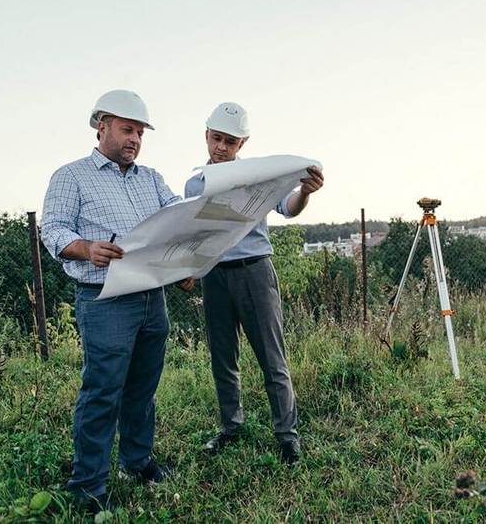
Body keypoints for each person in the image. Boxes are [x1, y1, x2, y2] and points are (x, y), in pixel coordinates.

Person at [41, 89, 194, 513]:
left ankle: (137, 462)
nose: (135, 140)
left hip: (151, 296)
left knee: (142, 389)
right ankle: (88, 484)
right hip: (105, 300)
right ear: (102, 125)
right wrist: (86, 247)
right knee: (103, 391)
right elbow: (51, 229)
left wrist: (185, 263)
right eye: (128, 130)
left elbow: (179, 218)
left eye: (140, 133)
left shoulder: (151, 179)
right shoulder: (71, 176)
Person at [185, 102, 324, 465]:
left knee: (271, 358)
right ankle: (231, 427)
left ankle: (287, 437)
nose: (221, 147)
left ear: (242, 143)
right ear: (206, 136)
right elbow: (193, 233)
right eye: (216, 139)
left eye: (229, 142)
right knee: (222, 357)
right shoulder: (194, 183)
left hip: (255, 272)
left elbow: (288, 208)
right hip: (214, 276)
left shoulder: (261, 176)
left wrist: (306, 192)